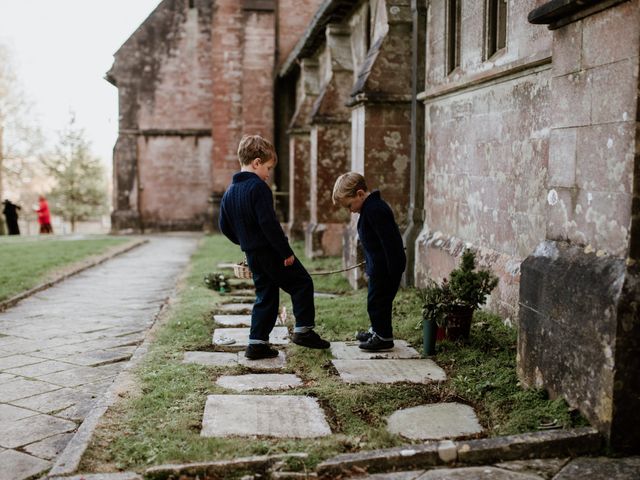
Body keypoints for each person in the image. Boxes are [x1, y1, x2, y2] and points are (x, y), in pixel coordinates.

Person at [219, 134, 330, 360]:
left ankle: (256, 344)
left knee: (266, 296)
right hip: (271, 252)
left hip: (253, 254)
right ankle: (304, 331)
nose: (268, 174)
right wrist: (286, 252)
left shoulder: (229, 192)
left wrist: (245, 243)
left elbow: (224, 226)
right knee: (301, 283)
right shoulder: (258, 188)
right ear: (256, 162)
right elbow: (269, 224)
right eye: (268, 168)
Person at [332, 172, 406, 351]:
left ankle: (383, 337)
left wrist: (392, 270)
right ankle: (377, 330)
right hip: (379, 268)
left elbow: (388, 242)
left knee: (377, 302)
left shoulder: (375, 210)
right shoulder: (369, 209)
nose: (350, 210)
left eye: (349, 205)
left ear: (359, 194)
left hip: (386, 270)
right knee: (377, 301)